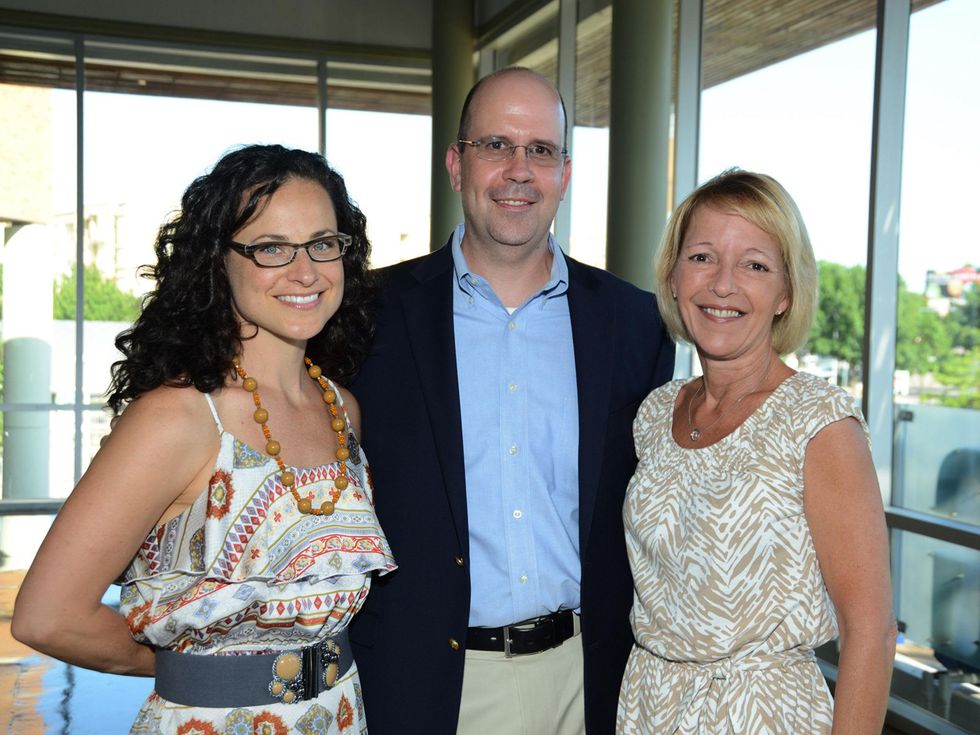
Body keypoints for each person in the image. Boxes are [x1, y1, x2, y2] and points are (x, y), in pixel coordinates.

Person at [13, 144, 395, 732]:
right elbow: (47, 617)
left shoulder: (341, 410)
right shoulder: (180, 418)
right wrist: (189, 667)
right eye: (271, 248)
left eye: (323, 243)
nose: (306, 271)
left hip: (341, 714)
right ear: (219, 262)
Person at [348, 67, 675, 734]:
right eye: (496, 145)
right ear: (455, 164)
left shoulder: (635, 324)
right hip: (426, 685)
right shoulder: (367, 318)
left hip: (588, 682)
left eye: (541, 150)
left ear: (565, 171)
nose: (519, 170)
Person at [617, 169, 896, 733]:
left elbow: (871, 629)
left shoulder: (816, 421)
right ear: (672, 276)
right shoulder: (655, 413)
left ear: (785, 292)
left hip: (762, 714)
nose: (723, 284)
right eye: (701, 257)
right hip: (648, 705)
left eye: (755, 265)